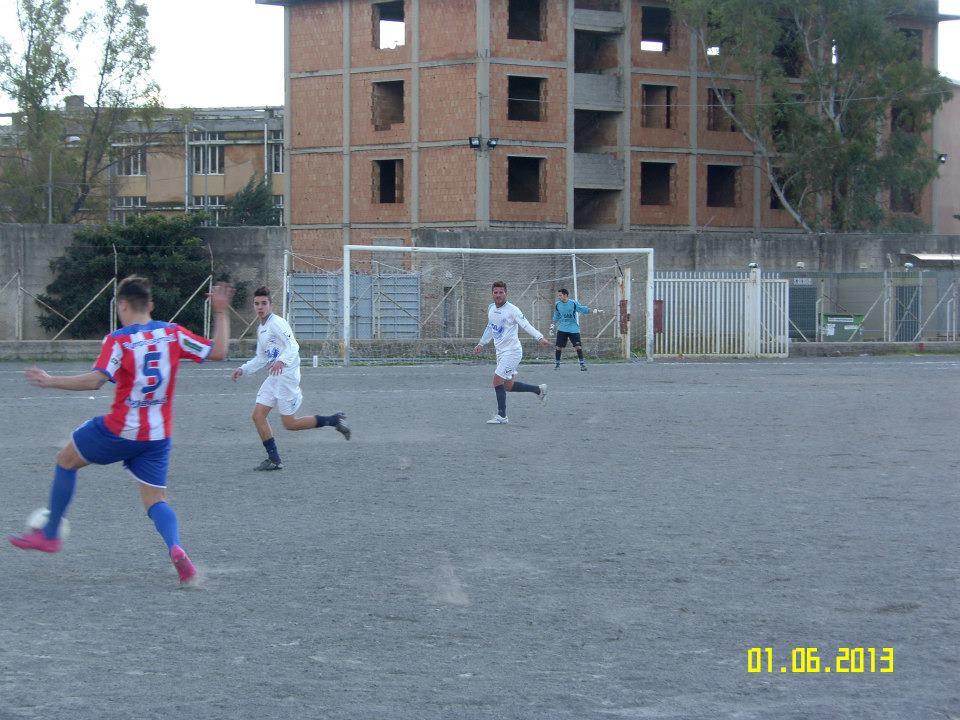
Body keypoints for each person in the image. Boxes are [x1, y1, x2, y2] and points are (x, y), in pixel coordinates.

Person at [8, 276, 234, 585]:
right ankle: (176, 548)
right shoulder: (173, 334)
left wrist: (50, 380)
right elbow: (220, 351)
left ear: (123, 305)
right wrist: (220, 311)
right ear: (150, 305)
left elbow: (95, 380)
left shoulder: (118, 340)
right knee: (156, 499)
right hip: (157, 436)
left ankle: (49, 535)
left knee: (66, 460)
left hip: (120, 429)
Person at [232, 285, 349, 471]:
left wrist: (282, 362)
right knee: (257, 416)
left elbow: (293, 346)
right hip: (274, 376)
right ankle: (274, 459)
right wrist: (243, 369)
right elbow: (262, 357)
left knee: (290, 423)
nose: (260, 307)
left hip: (286, 377)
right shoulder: (261, 329)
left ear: (270, 305)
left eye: (264, 303)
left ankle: (334, 420)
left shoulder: (277, 323)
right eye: (256, 304)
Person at [473, 280, 552, 425]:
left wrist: (539, 337)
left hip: (513, 352)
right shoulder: (491, 308)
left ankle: (502, 416)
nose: (498, 295)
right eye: (495, 292)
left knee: (497, 380)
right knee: (507, 386)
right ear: (492, 294)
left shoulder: (513, 310)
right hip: (501, 353)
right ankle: (539, 390)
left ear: (506, 293)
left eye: (501, 292)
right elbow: (490, 327)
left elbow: (526, 325)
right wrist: (481, 343)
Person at [550, 288, 602, 371]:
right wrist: (552, 326)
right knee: (558, 347)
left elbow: (583, 309)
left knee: (578, 346)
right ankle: (557, 365)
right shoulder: (557, 305)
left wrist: (595, 311)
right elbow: (556, 316)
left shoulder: (573, 303)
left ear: (565, 295)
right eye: (558, 295)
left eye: (560, 295)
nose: (559, 297)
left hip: (573, 329)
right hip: (562, 329)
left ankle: (582, 365)